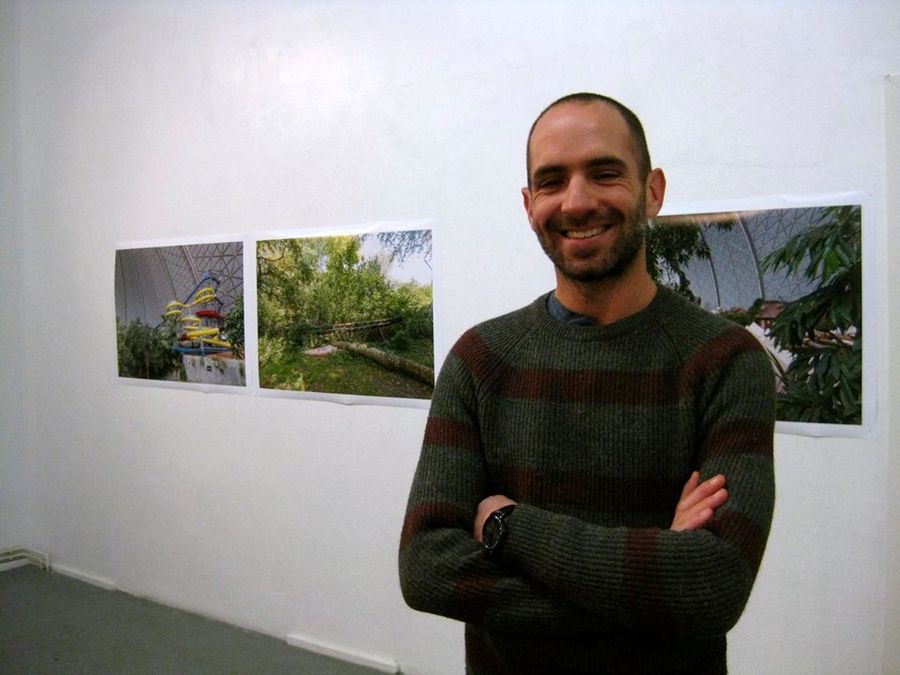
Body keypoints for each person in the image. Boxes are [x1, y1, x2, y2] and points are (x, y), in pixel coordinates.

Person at [399, 92, 775, 674]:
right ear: (529, 205)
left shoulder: (725, 360)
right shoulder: (480, 359)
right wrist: (651, 585)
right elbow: (427, 568)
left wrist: (506, 526)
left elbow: (713, 584)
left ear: (653, 190)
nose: (576, 201)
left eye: (604, 173)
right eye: (551, 181)